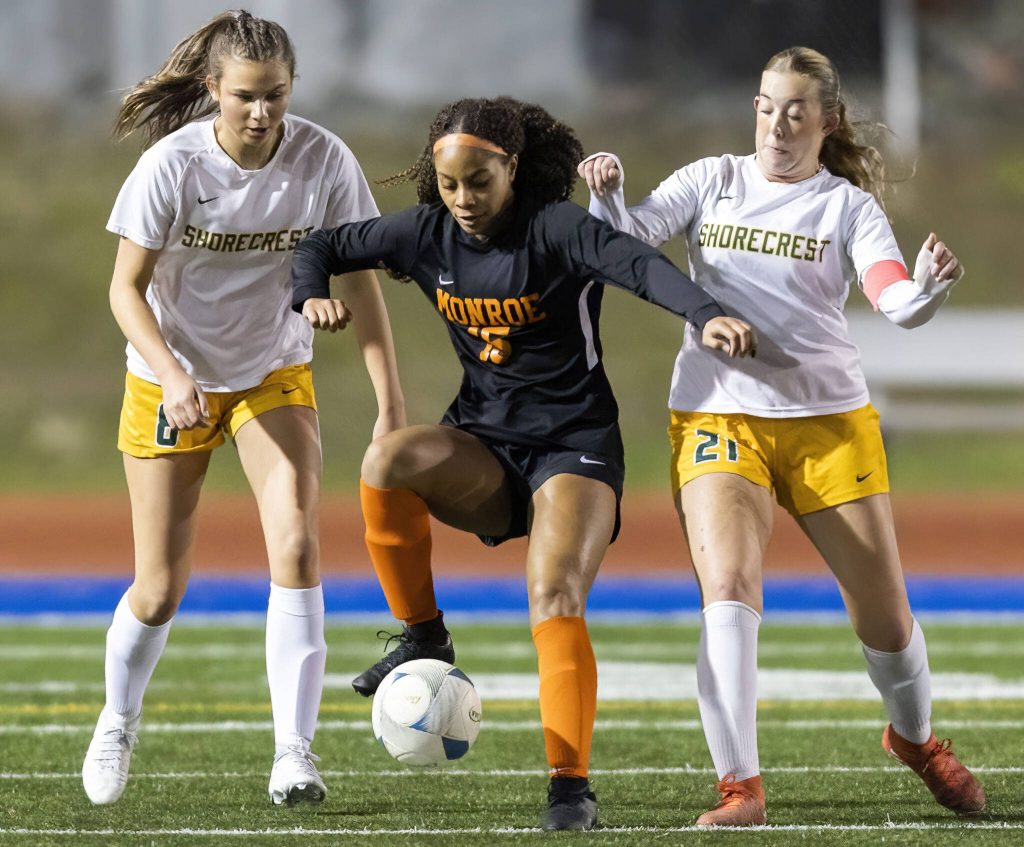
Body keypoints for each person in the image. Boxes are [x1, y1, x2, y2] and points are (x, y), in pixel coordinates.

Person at [291, 96, 756, 830]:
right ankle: (422, 633)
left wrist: (704, 313)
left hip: (574, 446)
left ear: (512, 167)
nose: (464, 200)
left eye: (480, 181)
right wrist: (308, 294)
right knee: (386, 459)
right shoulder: (426, 235)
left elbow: (636, 264)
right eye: (449, 184)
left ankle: (570, 788)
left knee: (554, 596)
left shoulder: (556, 227)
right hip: (484, 444)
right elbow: (320, 246)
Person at [579, 46, 985, 826]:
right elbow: (627, 248)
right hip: (717, 413)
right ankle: (741, 787)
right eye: (766, 105)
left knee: (887, 617)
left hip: (827, 422)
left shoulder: (845, 208)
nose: (777, 122)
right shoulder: (711, 180)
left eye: (796, 109)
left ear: (826, 120)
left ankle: (915, 737)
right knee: (728, 586)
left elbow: (894, 301)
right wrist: (610, 197)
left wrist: (929, 288)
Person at [82, 9, 404, 808]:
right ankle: (118, 718)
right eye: (246, 99)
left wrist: (390, 400)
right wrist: (173, 375)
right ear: (213, 91)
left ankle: (294, 752)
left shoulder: (324, 159)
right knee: (158, 585)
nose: (263, 115)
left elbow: (361, 278)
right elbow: (125, 289)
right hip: (172, 380)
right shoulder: (171, 166)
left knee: (296, 543)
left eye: (278, 96)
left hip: (272, 371)